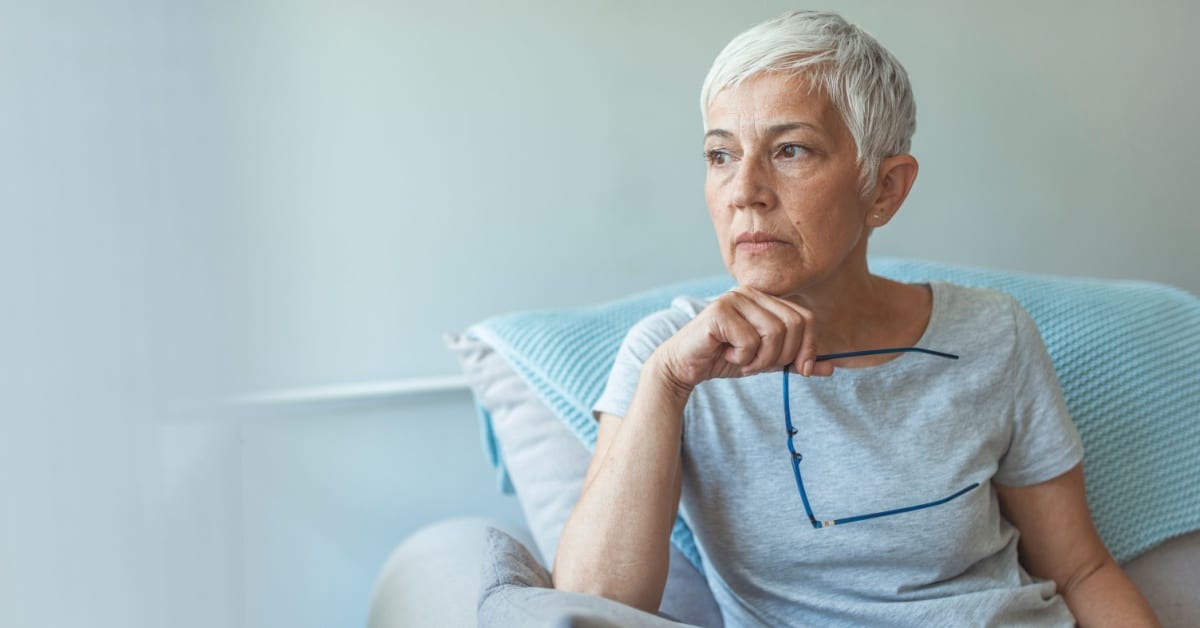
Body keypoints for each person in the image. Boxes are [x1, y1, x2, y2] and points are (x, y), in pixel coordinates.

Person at [552, 10, 1159, 627]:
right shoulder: (668, 356)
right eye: (720, 155)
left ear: (884, 190)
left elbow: (1082, 569)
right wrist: (668, 384)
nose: (745, 190)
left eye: (790, 150)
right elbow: (591, 607)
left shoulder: (992, 334)